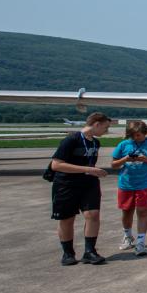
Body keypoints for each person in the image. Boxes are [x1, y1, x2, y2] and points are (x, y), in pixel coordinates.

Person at [50, 112, 112, 266]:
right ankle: (68, 253)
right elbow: (56, 165)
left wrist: (92, 171)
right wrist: (88, 169)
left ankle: (90, 251)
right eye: (105, 127)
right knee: (67, 218)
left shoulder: (95, 143)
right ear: (96, 124)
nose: (106, 131)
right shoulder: (72, 139)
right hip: (66, 184)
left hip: (89, 183)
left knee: (93, 214)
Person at [109, 120, 147, 256]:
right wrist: (125, 159)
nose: (136, 138)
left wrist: (145, 159)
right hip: (126, 182)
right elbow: (113, 164)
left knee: (142, 210)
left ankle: (141, 241)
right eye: (133, 136)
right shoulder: (123, 144)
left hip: (145, 182)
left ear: (145, 133)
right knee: (127, 211)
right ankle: (128, 236)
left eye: (138, 135)